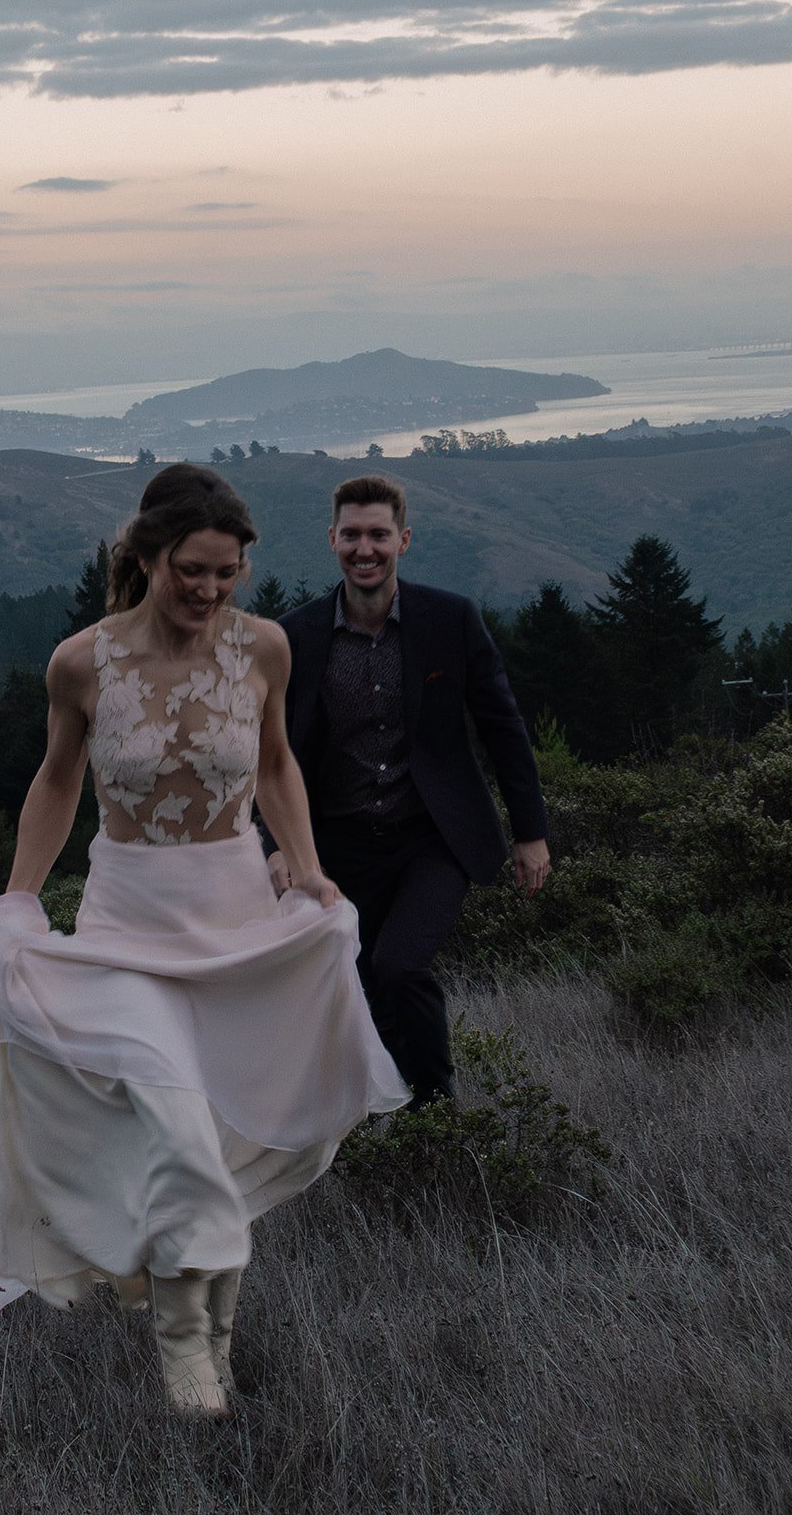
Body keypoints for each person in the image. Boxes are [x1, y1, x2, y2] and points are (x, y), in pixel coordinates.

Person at [0, 463, 407, 1419]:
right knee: (181, 1127)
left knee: (225, 1140)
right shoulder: (82, 663)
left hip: (234, 924)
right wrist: (19, 902)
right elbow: (57, 782)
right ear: (145, 558)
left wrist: (307, 872)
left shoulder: (264, 649)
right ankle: (185, 1356)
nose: (209, 591)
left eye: (227, 574)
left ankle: (213, 1347)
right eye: (192, 570)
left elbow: (275, 763)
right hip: (124, 932)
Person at [265, 474, 550, 1108]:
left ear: (404, 539)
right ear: (330, 539)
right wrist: (278, 844)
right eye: (351, 535)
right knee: (357, 982)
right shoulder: (294, 637)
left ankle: (437, 1115)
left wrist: (531, 833)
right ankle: (376, 1113)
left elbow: (503, 727)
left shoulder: (450, 619)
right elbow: (270, 754)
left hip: (432, 837)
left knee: (399, 966)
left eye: (378, 535)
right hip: (335, 845)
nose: (364, 549)